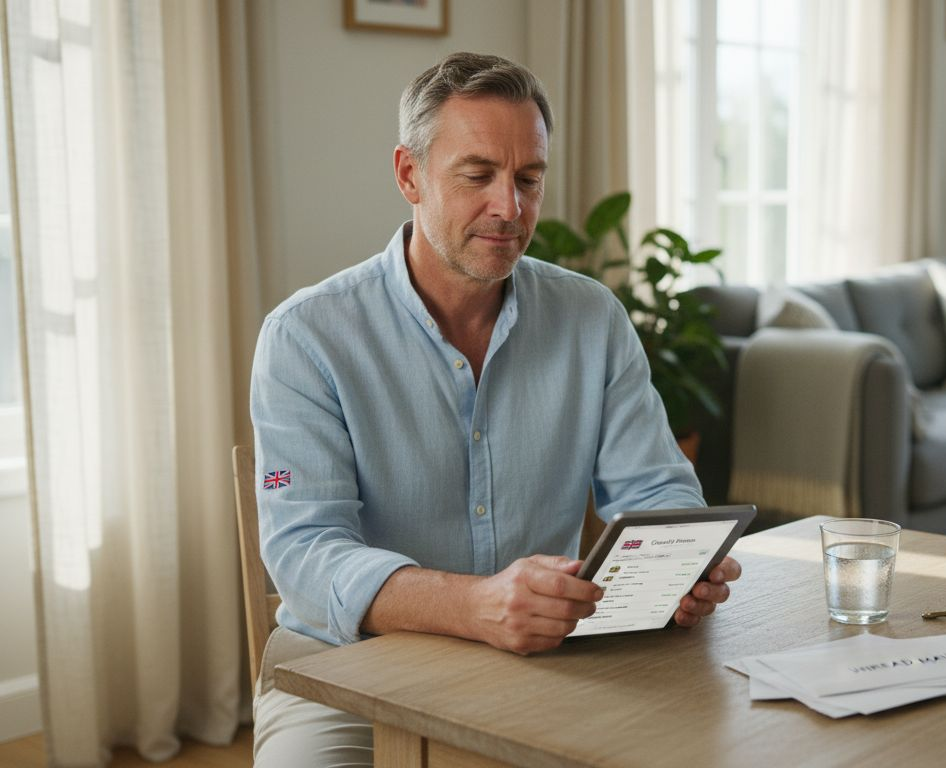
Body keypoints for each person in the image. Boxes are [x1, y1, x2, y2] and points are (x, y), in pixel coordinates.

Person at [248, 52, 741, 766]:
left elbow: (656, 488)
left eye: (528, 178)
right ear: (409, 174)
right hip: (346, 666)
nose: (509, 207)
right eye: (477, 175)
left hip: (552, 657)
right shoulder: (307, 336)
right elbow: (304, 553)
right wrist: (473, 605)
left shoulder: (590, 317)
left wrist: (681, 561)